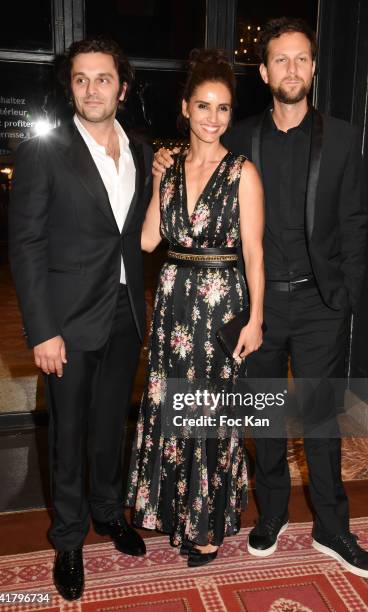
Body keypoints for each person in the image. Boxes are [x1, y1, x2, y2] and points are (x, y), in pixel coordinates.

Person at [153, 18, 368, 579]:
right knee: (266, 419)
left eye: (302, 58)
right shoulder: (241, 135)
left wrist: (346, 299)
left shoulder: (346, 137)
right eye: (281, 59)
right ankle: (272, 514)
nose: (293, 69)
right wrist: (162, 162)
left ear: (314, 67)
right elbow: (196, 162)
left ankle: (333, 528)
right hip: (253, 307)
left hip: (320, 304)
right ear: (264, 71)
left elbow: (356, 224)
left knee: (322, 420)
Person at [9, 38, 153, 600]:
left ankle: (108, 512)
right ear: (70, 86)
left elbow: (136, 232)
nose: (92, 89)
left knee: (112, 423)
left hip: (123, 313)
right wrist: (42, 329)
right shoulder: (43, 151)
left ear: (123, 85)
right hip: (66, 321)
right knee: (68, 435)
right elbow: (25, 245)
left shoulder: (140, 150)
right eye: (81, 79)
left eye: (103, 78)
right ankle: (68, 539)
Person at [126, 49, 265, 567]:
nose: (213, 118)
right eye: (203, 106)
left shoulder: (243, 173)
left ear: (231, 113)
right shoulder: (170, 166)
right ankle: (177, 512)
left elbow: (254, 253)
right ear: (185, 108)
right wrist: (158, 181)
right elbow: (145, 242)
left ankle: (206, 526)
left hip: (221, 308)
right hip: (173, 306)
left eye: (223, 108)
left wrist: (255, 319)